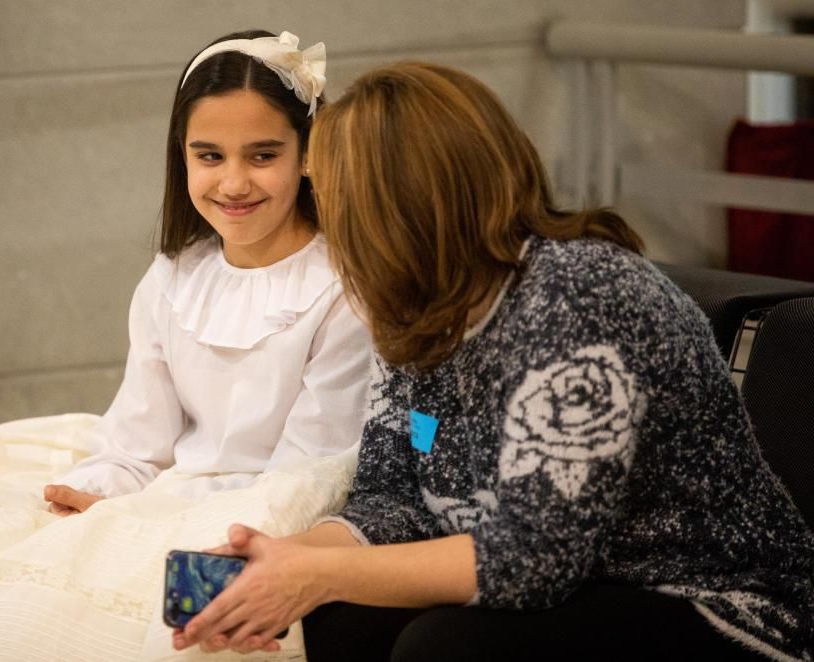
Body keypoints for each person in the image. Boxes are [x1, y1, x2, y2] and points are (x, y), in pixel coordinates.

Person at [171, 62, 814, 661]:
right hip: (576, 581)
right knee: (329, 619)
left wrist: (320, 573)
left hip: (711, 604)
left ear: (400, 204)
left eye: (335, 197)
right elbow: (392, 497)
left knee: (444, 648)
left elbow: (536, 555)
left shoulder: (581, 299)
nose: (327, 220)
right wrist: (278, 563)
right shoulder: (413, 305)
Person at [44, 30, 371, 515]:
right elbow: (136, 446)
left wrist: (149, 516)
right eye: (210, 156)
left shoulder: (342, 290)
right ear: (184, 156)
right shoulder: (172, 279)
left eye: (263, 155)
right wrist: (94, 495)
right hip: (171, 504)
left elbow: (310, 476)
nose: (234, 183)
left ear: (307, 153)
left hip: (278, 524)